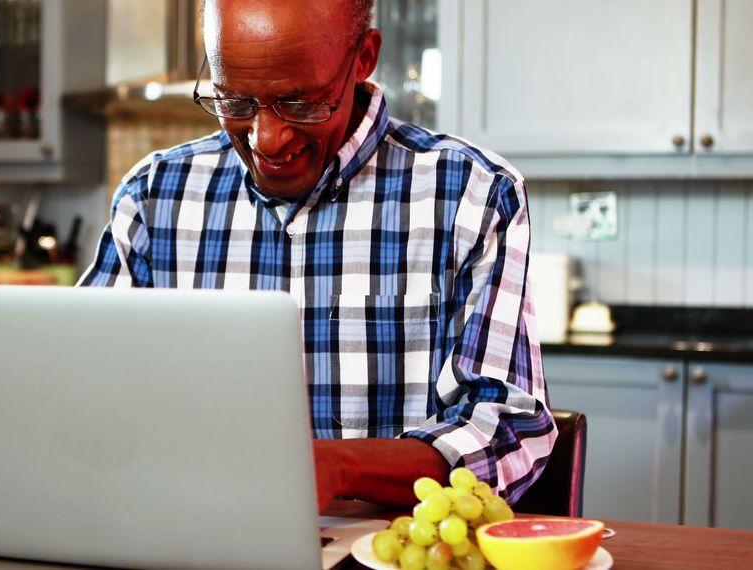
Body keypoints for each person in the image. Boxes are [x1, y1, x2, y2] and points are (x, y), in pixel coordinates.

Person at [80, 0, 555, 510]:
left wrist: (337, 467)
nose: (267, 139)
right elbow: (79, 389)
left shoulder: (471, 195)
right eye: (235, 102)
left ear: (365, 57)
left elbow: (508, 426)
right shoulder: (153, 198)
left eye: (300, 103)